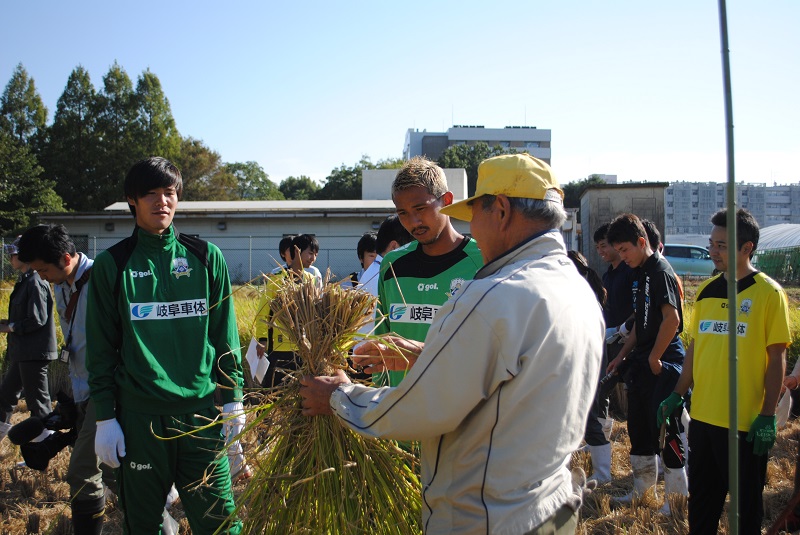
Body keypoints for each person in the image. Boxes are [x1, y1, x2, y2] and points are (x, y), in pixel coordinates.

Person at [299, 153, 604, 534]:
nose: (472, 225)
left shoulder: (494, 294)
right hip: (547, 507)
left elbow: (426, 406)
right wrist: (427, 358)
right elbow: (512, 379)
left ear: (502, 211)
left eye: (475, 212)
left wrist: (339, 397)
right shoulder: (576, 289)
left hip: (489, 517)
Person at [85, 157, 244, 534]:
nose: (162, 202)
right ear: (132, 200)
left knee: (220, 523)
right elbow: (101, 349)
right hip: (141, 421)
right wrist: (106, 417)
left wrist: (234, 397)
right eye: (151, 194)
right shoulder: (112, 265)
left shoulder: (207, 258)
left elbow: (225, 336)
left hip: (201, 417)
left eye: (169, 193)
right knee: (144, 525)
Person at [658, 208, 790, 534]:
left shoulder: (768, 294)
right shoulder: (706, 291)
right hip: (703, 420)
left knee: (745, 512)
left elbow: (777, 359)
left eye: (722, 245)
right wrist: (677, 394)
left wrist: (767, 415)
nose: (712, 251)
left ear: (747, 248)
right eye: (711, 244)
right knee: (701, 507)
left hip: (744, 425)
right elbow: (694, 349)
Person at [17, 224, 116, 534]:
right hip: (82, 388)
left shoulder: (104, 278)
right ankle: (161, 521)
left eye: (44, 269)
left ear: (65, 257)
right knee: (114, 473)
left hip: (108, 390)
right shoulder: (59, 284)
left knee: (81, 471)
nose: (42, 276)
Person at [374, 156, 483, 386]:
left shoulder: (484, 261)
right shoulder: (392, 266)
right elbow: (381, 346)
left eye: (420, 208)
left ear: (448, 201)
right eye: (402, 212)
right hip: (399, 411)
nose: (413, 222)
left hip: (458, 413)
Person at [606, 213, 688, 511]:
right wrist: (622, 354)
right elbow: (641, 323)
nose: (622, 256)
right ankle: (642, 492)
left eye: (625, 250)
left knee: (667, 430)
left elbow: (672, 319)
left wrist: (654, 356)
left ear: (642, 242)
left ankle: (676, 498)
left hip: (663, 361)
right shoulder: (639, 272)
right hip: (642, 361)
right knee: (639, 429)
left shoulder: (660, 271)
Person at [588, 223, 636, 484]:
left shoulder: (630, 273)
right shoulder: (608, 275)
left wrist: (623, 329)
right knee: (601, 396)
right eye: (598, 247)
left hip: (627, 343)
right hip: (609, 342)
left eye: (604, 245)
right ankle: (600, 445)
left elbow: (640, 311)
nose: (602, 251)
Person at [0, 237, 57, 443]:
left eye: (13, 253)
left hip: (34, 352)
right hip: (24, 352)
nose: (10, 257)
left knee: (38, 404)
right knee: (5, 396)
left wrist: (11, 327)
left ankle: (46, 446)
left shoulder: (35, 281)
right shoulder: (26, 280)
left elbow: (38, 319)